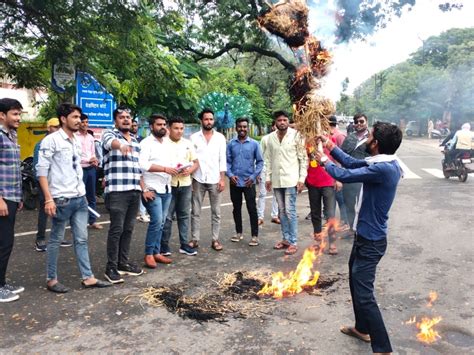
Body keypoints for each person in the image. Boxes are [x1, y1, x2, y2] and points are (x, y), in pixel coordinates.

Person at [315, 121, 403, 355]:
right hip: (364, 236)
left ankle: (383, 349)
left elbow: (344, 174)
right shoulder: (382, 162)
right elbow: (352, 162)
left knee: (365, 294)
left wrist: (322, 159)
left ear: (376, 144)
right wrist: (329, 146)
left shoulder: (383, 168)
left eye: (370, 135)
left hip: (371, 241)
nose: (366, 137)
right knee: (355, 282)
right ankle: (362, 328)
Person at [37, 103, 110, 293]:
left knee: (82, 239)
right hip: (61, 198)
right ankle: (51, 279)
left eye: (79, 118)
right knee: (55, 239)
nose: (79, 121)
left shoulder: (76, 140)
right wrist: (48, 199)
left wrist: (84, 195)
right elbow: (42, 171)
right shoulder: (51, 141)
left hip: (79, 198)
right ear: (63, 119)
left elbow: (77, 168)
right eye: (75, 117)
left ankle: (88, 277)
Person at [102, 106, 143, 284]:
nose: (126, 120)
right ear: (115, 120)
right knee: (116, 229)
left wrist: (144, 188)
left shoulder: (135, 140)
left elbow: (138, 168)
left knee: (128, 229)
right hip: (117, 191)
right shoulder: (109, 134)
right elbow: (111, 143)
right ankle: (110, 267)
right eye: (121, 117)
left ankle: (122, 263)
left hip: (134, 190)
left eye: (128, 117)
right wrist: (122, 145)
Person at [264, 111, 307, 255]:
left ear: (288, 121)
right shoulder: (270, 138)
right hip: (277, 180)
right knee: (281, 211)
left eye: (284, 120)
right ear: (275, 122)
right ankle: (286, 239)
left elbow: (303, 159)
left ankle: (293, 242)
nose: (282, 122)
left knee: (290, 211)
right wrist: (268, 178)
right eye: (279, 120)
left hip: (291, 180)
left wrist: (302, 179)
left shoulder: (297, 136)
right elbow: (268, 159)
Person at [139, 114, 177, 268]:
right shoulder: (146, 143)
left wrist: (178, 167)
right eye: (159, 124)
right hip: (152, 188)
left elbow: (170, 163)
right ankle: (148, 254)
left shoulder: (167, 143)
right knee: (156, 221)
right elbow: (142, 165)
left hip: (166, 187)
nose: (162, 127)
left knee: (161, 222)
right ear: (151, 126)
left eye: (164, 124)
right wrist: (144, 189)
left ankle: (156, 252)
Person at [33, 118, 74, 252]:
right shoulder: (41, 144)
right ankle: (40, 239)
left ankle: (59, 237)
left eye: (59, 127)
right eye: (55, 127)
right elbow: (38, 168)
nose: (58, 129)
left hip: (59, 184)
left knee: (60, 211)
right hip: (45, 183)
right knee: (44, 212)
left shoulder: (63, 142)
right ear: (49, 128)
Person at [189, 108, 227, 251]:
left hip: (215, 179)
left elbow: (222, 159)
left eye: (211, 119)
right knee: (196, 211)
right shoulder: (193, 138)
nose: (209, 121)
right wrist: (191, 179)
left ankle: (215, 239)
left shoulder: (220, 138)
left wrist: (222, 179)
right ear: (201, 120)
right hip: (198, 179)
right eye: (206, 119)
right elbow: (191, 159)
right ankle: (195, 239)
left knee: (216, 211)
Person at [161, 116, 199, 257]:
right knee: (167, 217)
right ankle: (164, 246)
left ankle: (184, 245)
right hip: (168, 184)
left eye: (181, 128)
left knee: (184, 215)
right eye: (176, 128)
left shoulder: (187, 144)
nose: (179, 131)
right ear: (169, 128)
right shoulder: (163, 143)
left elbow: (195, 162)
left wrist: (190, 170)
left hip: (185, 184)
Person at [0, 98, 25, 302]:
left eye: (19, 114)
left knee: (7, 242)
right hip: (3, 197)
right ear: (2, 115)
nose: (18, 118)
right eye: (15, 114)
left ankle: (2, 282)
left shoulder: (12, 135)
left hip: (12, 196)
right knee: (3, 242)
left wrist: (19, 197)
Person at [226, 117, 264, 246]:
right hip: (234, 182)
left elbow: (260, 162)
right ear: (236, 127)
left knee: (252, 208)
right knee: (236, 208)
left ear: (248, 128)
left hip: (249, 182)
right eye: (240, 126)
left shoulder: (254, 144)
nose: (242, 129)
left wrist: (253, 177)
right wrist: (230, 175)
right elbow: (227, 162)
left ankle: (255, 236)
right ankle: (238, 233)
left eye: (244, 126)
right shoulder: (231, 144)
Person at [306, 136, 338, 255]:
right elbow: (305, 160)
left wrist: (338, 179)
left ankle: (332, 242)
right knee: (315, 213)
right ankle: (318, 241)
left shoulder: (329, 140)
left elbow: (336, 159)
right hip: (312, 182)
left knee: (330, 214)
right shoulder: (308, 142)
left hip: (328, 182)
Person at [340, 114, 370, 231]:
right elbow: (342, 156)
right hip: (350, 176)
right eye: (356, 122)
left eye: (361, 121)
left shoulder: (372, 138)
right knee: (349, 204)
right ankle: (352, 228)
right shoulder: (349, 138)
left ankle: (363, 228)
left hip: (365, 176)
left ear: (366, 122)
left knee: (364, 204)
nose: (359, 124)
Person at [76, 114, 102, 230]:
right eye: (83, 122)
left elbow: (93, 153)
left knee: (91, 195)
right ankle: (77, 223)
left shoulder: (91, 138)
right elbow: (75, 156)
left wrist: (95, 159)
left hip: (91, 169)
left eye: (87, 122)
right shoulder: (74, 137)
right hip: (80, 169)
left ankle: (92, 221)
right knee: (79, 196)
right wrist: (88, 160)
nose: (85, 124)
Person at [328, 116, 349, 231]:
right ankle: (335, 222)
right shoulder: (328, 135)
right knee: (333, 198)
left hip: (338, 172)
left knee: (341, 198)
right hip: (330, 172)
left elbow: (343, 156)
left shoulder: (339, 136)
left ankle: (345, 222)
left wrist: (339, 177)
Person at [258, 120, 280, 225]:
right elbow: (260, 156)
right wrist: (258, 171)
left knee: (276, 194)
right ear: (273, 127)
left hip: (277, 170)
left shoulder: (283, 139)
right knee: (263, 193)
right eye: (276, 125)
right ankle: (260, 216)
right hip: (265, 169)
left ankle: (274, 215)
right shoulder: (265, 139)